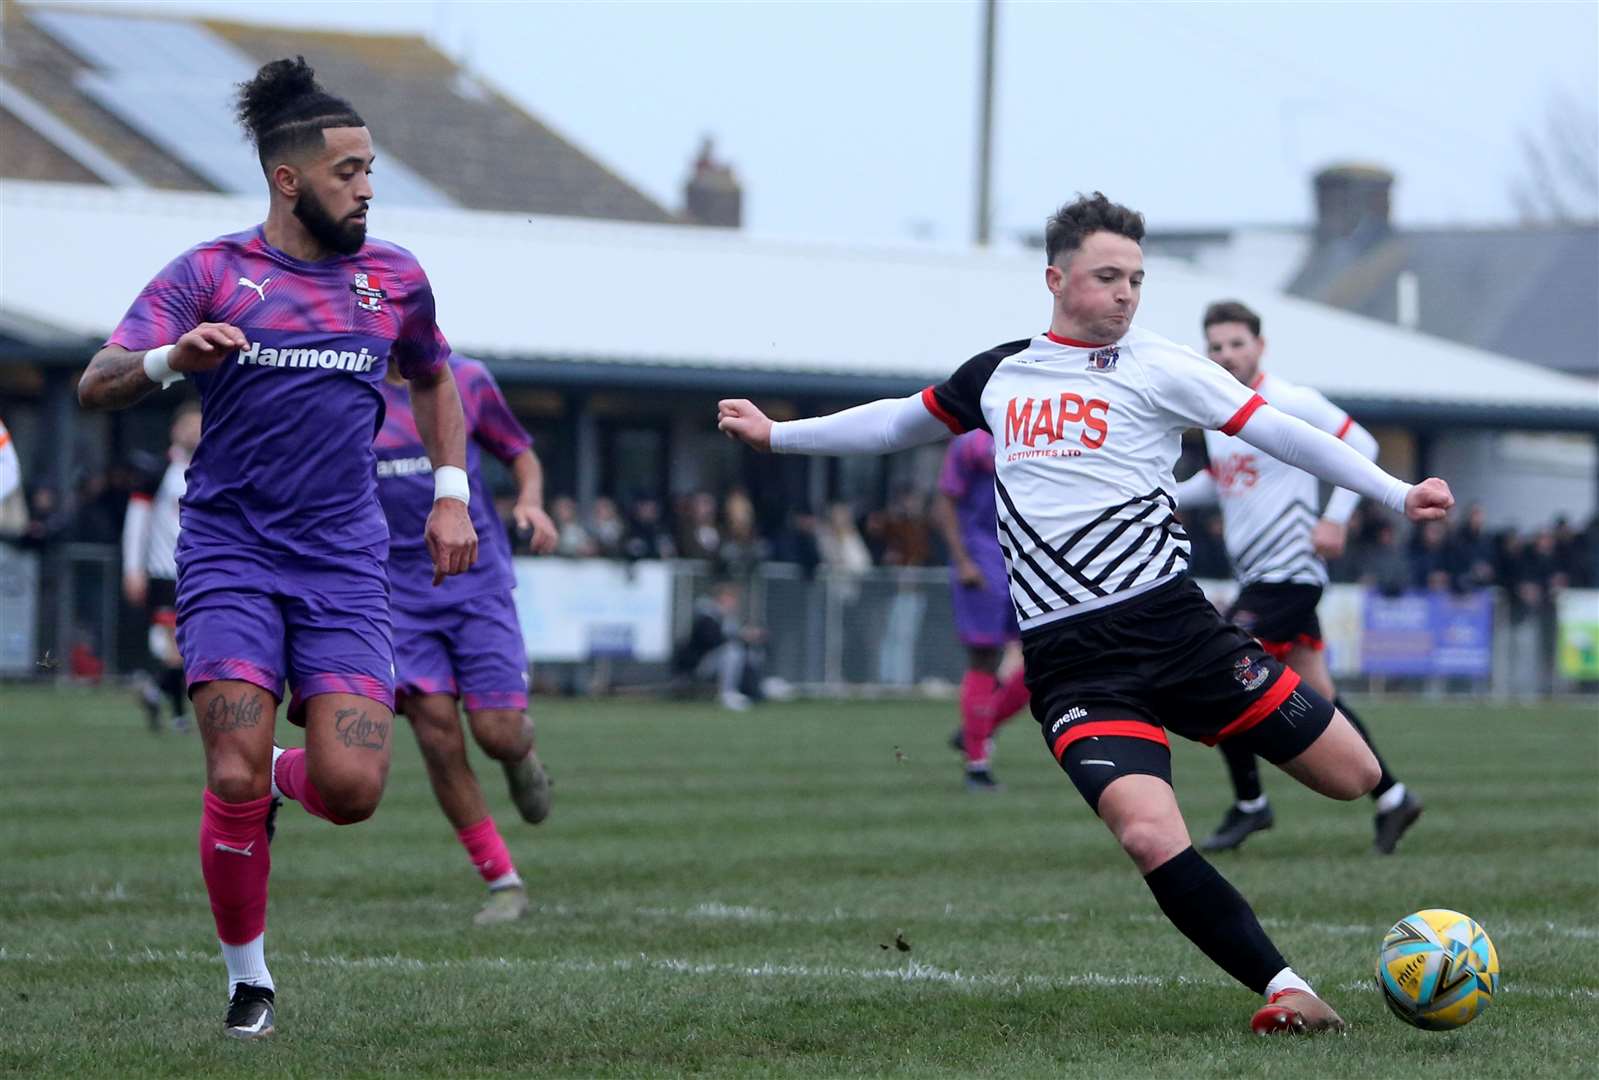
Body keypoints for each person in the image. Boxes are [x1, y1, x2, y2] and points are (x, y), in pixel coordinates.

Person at [717, 192, 1454, 1035]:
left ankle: (1296, 778)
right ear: (1055, 278)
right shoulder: (999, 374)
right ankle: (1287, 990)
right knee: (1147, 835)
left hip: (1180, 636)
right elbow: (895, 423)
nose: (1125, 294)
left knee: (1351, 776)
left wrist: (1397, 493)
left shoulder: (1162, 365)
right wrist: (779, 436)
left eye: (1136, 279)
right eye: (1108, 277)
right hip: (1076, 667)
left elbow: (1280, 433)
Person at [75, 57, 476, 1040]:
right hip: (230, 558)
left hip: (344, 564)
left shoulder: (396, 280)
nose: (369, 187)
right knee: (231, 774)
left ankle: (288, 779)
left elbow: (433, 380)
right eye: (349, 171)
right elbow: (97, 380)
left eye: (373, 169)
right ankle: (249, 982)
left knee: (353, 791)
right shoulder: (212, 273)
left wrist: (452, 495)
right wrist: (174, 359)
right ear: (289, 180)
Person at [1175, 300, 1423, 855]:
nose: (1226, 354)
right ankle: (1393, 796)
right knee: (1321, 697)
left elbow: (1362, 444)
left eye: (1237, 343)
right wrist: (1160, 495)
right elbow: (1221, 484)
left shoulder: (1288, 401)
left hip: (1288, 574)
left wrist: (1335, 519)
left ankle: (1250, 806)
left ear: (1260, 347)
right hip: (1260, 576)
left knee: (1226, 673)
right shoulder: (1220, 415)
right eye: (1216, 346)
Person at [376, 336, 558, 925]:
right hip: (397, 595)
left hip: (477, 585)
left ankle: (520, 754)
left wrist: (530, 501)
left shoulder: (468, 378)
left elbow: (521, 454)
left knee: (497, 733)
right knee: (435, 732)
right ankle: (503, 881)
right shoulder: (350, 388)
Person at [932, 430, 1031, 790]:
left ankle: (978, 729)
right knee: (984, 657)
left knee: (1042, 659)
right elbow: (944, 503)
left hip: (1025, 559)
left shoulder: (1033, 429)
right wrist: (962, 561)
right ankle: (977, 765)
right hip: (983, 557)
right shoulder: (971, 442)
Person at [123, 401, 201, 733]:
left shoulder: (214, 469)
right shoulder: (157, 472)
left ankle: (155, 693)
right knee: (174, 649)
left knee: (190, 648)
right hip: (164, 571)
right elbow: (137, 523)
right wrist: (133, 568)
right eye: (188, 425)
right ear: (175, 430)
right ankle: (181, 716)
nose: (195, 432)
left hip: (200, 572)